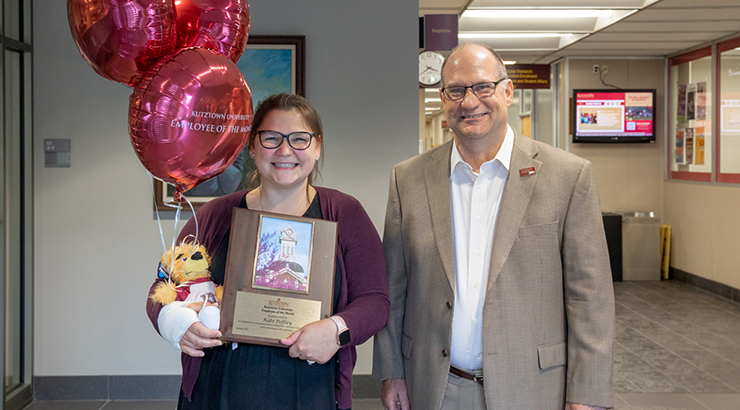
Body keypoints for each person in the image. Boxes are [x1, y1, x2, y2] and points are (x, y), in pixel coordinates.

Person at [372, 44, 615, 410]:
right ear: (442, 98)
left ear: (508, 91)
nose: (469, 102)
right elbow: (394, 287)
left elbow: (590, 299)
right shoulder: (408, 179)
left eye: (483, 87)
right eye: (456, 90)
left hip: (534, 389)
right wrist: (391, 371)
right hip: (435, 386)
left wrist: (586, 395)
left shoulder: (568, 177)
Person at [146, 93, 390, 410]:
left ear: (317, 147)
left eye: (300, 139)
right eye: (271, 138)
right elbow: (162, 287)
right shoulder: (213, 216)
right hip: (219, 382)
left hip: (310, 385)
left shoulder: (345, 213)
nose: (285, 150)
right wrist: (176, 324)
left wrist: (335, 332)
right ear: (252, 146)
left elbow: (375, 301)